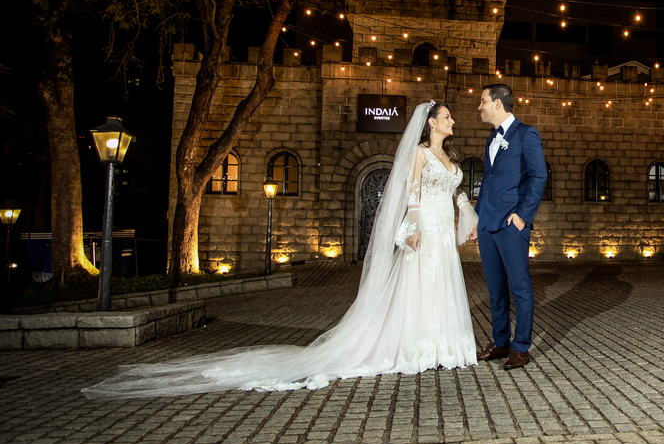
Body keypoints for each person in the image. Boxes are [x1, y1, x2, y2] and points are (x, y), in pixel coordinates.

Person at [81, 101, 479, 399]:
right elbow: (412, 194)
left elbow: (453, 187)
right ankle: (417, 345)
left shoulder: (450, 156)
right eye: (446, 117)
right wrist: (411, 228)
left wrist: (464, 209)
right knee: (420, 283)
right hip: (426, 227)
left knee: (441, 282)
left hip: (445, 230)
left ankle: (444, 343)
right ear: (430, 122)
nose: (452, 121)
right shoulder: (418, 153)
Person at [472, 84, 547, 370]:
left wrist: (522, 217)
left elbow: (539, 176)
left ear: (499, 103)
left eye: (483, 101)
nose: (479, 107)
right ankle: (500, 341)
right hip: (488, 224)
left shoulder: (526, 134)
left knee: (520, 288)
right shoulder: (491, 137)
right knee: (495, 289)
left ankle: (521, 347)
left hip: (511, 225)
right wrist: (478, 218)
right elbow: (489, 183)